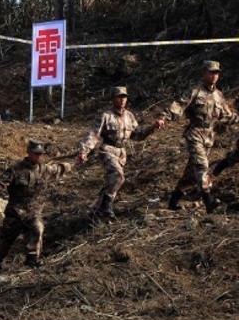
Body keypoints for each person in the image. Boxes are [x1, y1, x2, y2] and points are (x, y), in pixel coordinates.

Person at [160, 60, 239, 212]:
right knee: (202, 166)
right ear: (204, 73)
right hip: (195, 133)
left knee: (191, 173)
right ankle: (209, 201)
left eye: (216, 73)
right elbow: (177, 106)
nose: (214, 76)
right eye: (211, 72)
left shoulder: (219, 95)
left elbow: (227, 116)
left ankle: (173, 201)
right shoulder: (194, 91)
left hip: (209, 136)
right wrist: (164, 117)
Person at [76, 86, 164, 220]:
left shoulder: (129, 116)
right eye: (119, 97)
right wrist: (84, 151)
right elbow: (93, 134)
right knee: (118, 176)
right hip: (107, 150)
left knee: (111, 182)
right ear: (113, 99)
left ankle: (95, 210)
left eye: (124, 97)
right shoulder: (106, 115)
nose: (122, 99)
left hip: (122, 153)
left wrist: (153, 127)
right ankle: (107, 209)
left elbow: (137, 135)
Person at [0, 141, 73, 273]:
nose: (38, 157)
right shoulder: (15, 169)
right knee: (6, 239)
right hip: (15, 212)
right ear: (29, 153)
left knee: (37, 229)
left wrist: (75, 163)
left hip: (33, 211)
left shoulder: (44, 169)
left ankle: (32, 259)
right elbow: (1, 182)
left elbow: (59, 169)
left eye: (40, 154)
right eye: (35, 154)